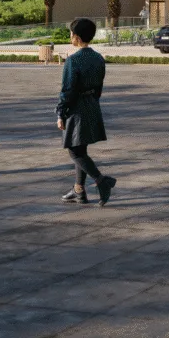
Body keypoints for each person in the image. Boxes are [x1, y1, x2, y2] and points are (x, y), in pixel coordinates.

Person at [57, 18, 116, 206]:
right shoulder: (98, 58)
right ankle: (79, 190)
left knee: (74, 150)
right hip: (91, 104)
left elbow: (68, 90)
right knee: (81, 147)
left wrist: (61, 112)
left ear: (76, 36)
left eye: (71, 33)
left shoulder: (73, 60)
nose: (70, 36)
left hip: (77, 107)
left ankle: (101, 181)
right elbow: (99, 86)